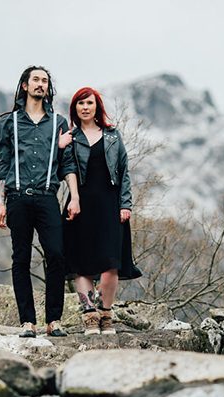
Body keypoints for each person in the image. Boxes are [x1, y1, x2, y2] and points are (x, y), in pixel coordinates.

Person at [0, 66, 80, 338]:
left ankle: (54, 320)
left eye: (45, 81)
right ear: (25, 86)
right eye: (36, 80)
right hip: (17, 198)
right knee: (21, 259)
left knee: (56, 254)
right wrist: (1, 203)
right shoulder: (9, 123)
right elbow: (4, 166)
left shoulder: (59, 124)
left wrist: (74, 196)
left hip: (47, 198)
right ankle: (27, 322)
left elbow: (67, 164)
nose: (41, 84)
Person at [62, 87, 141, 335]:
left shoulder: (113, 136)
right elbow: (62, 169)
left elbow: (124, 172)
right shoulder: (70, 138)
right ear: (75, 109)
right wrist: (58, 145)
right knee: (81, 264)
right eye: (80, 104)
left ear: (97, 107)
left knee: (111, 265)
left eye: (89, 103)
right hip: (79, 206)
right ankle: (89, 316)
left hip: (110, 205)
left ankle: (106, 314)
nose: (85, 107)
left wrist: (125, 204)